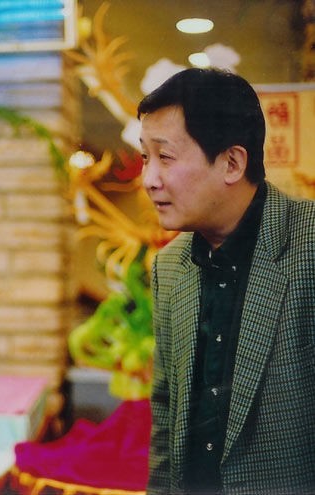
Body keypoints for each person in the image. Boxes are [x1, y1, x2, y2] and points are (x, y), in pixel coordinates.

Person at [138, 67, 315, 494]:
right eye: (145, 157)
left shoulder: (307, 245)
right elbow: (165, 414)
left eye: (165, 157)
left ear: (232, 162)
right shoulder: (170, 266)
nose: (149, 179)